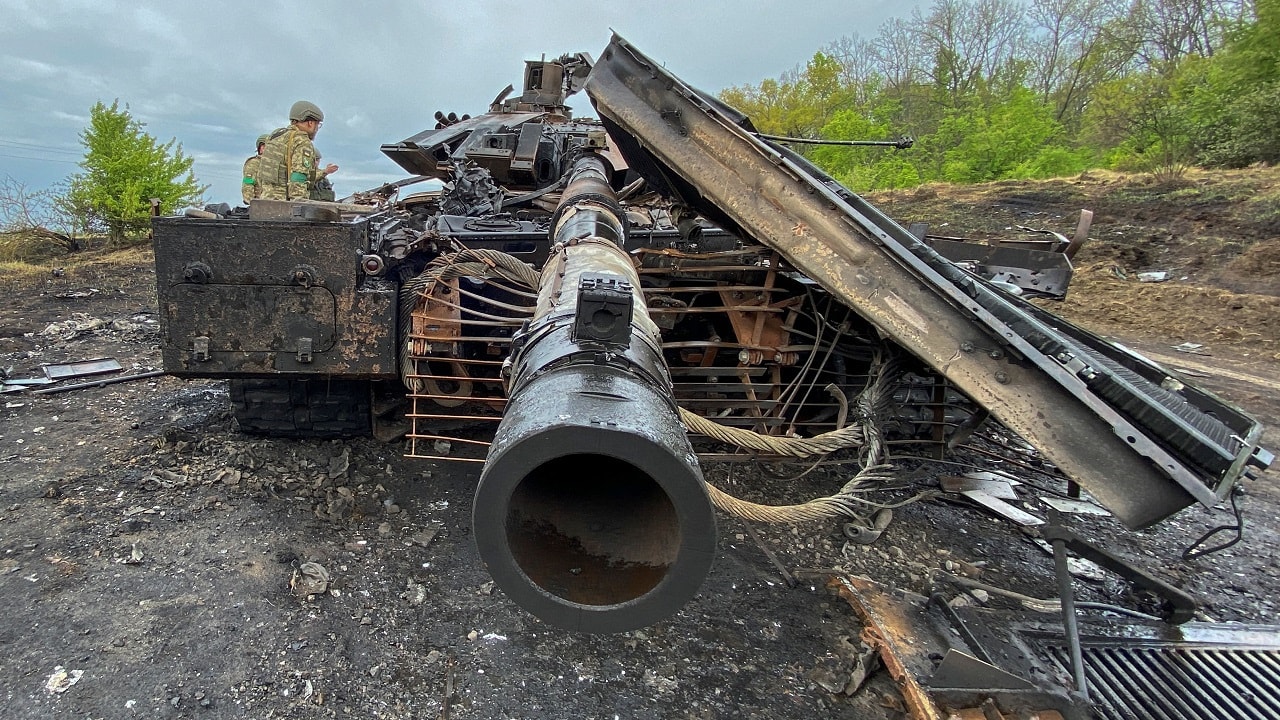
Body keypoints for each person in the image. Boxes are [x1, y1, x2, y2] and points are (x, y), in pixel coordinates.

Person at [257, 100, 338, 201]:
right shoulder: (301, 141)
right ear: (310, 123)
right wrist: (299, 204)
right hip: (284, 205)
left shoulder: (275, 136)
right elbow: (298, 177)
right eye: (317, 125)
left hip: (265, 201)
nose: (316, 129)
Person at [240, 134, 269, 205]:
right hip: (259, 204)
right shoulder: (254, 163)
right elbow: (248, 183)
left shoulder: (274, 164)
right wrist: (251, 203)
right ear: (261, 148)